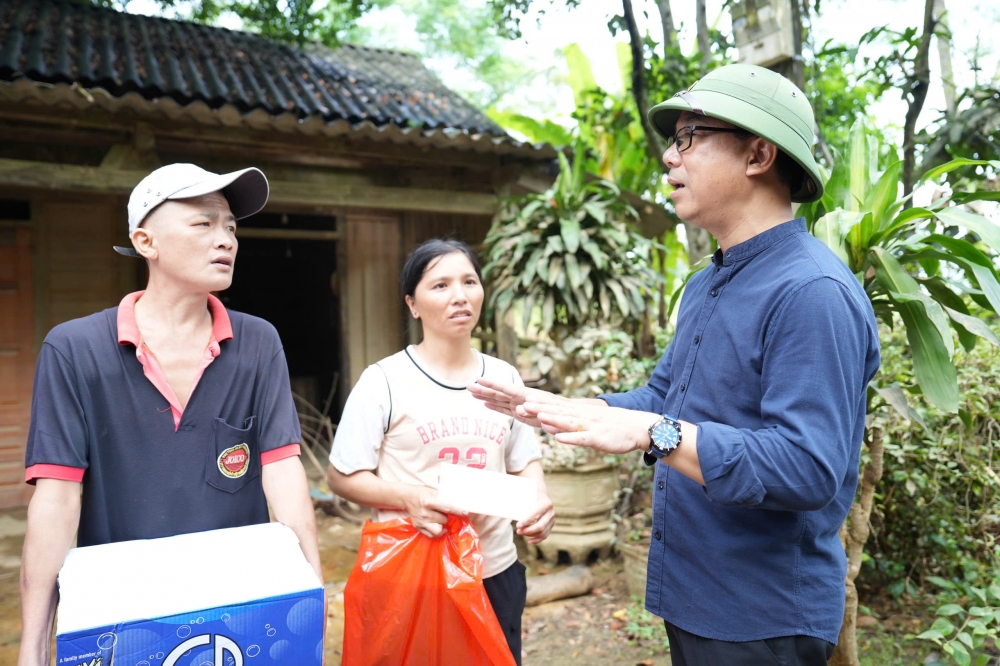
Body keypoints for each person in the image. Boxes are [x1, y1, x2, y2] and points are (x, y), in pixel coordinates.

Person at [469, 64, 881, 666]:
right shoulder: (709, 282)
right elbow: (668, 396)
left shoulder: (811, 290)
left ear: (759, 154)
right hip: (695, 596)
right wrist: (583, 412)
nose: (669, 157)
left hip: (760, 616)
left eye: (688, 137)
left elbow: (806, 467)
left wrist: (651, 433)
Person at [19, 164, 322, 666]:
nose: (225, 239)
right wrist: (33, 646)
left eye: (230, 226)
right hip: (123, 616)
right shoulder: (74, 349)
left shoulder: (258, 342)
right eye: (203, 224)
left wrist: (311, 601)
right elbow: (56, 500)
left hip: (240, 610)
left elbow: (284, 475)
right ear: (146, 241)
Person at [328, 239, 555, 665]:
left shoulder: (503, 377)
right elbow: (342, 477)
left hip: (494, 572)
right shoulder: (384, 381)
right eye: (441, 285)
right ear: (413, 304)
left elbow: (525, 462)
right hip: (416, 575)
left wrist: (538, 499)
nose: (460, 296)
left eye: (469, 281)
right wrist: (410, 498)